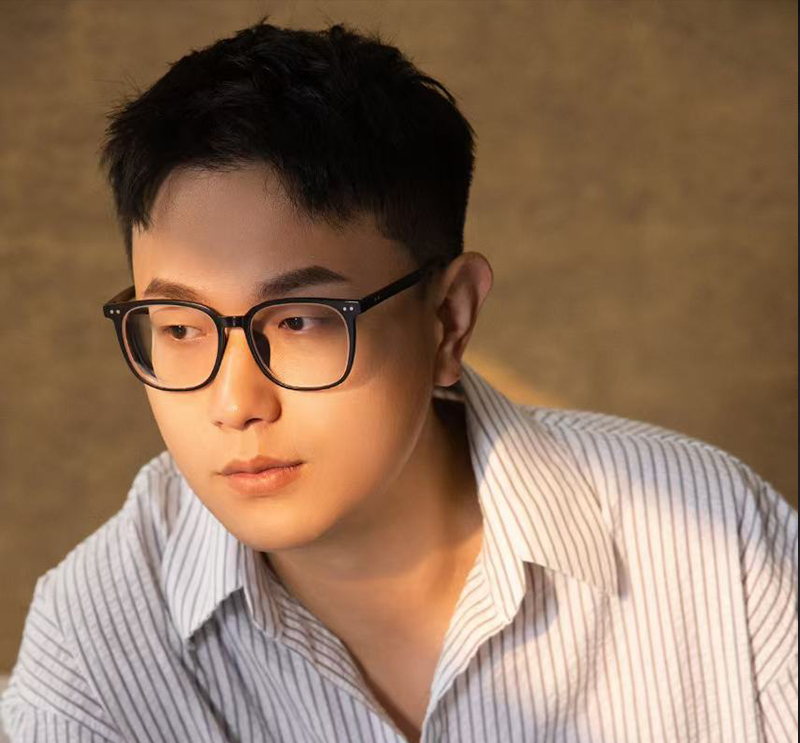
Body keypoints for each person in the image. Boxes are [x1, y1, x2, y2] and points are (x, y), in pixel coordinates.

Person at [1, 17, 796, 743]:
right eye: (180, 329)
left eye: (300, 321)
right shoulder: (98, 637)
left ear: (448, 317)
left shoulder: (720, 546)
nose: (235, 403)